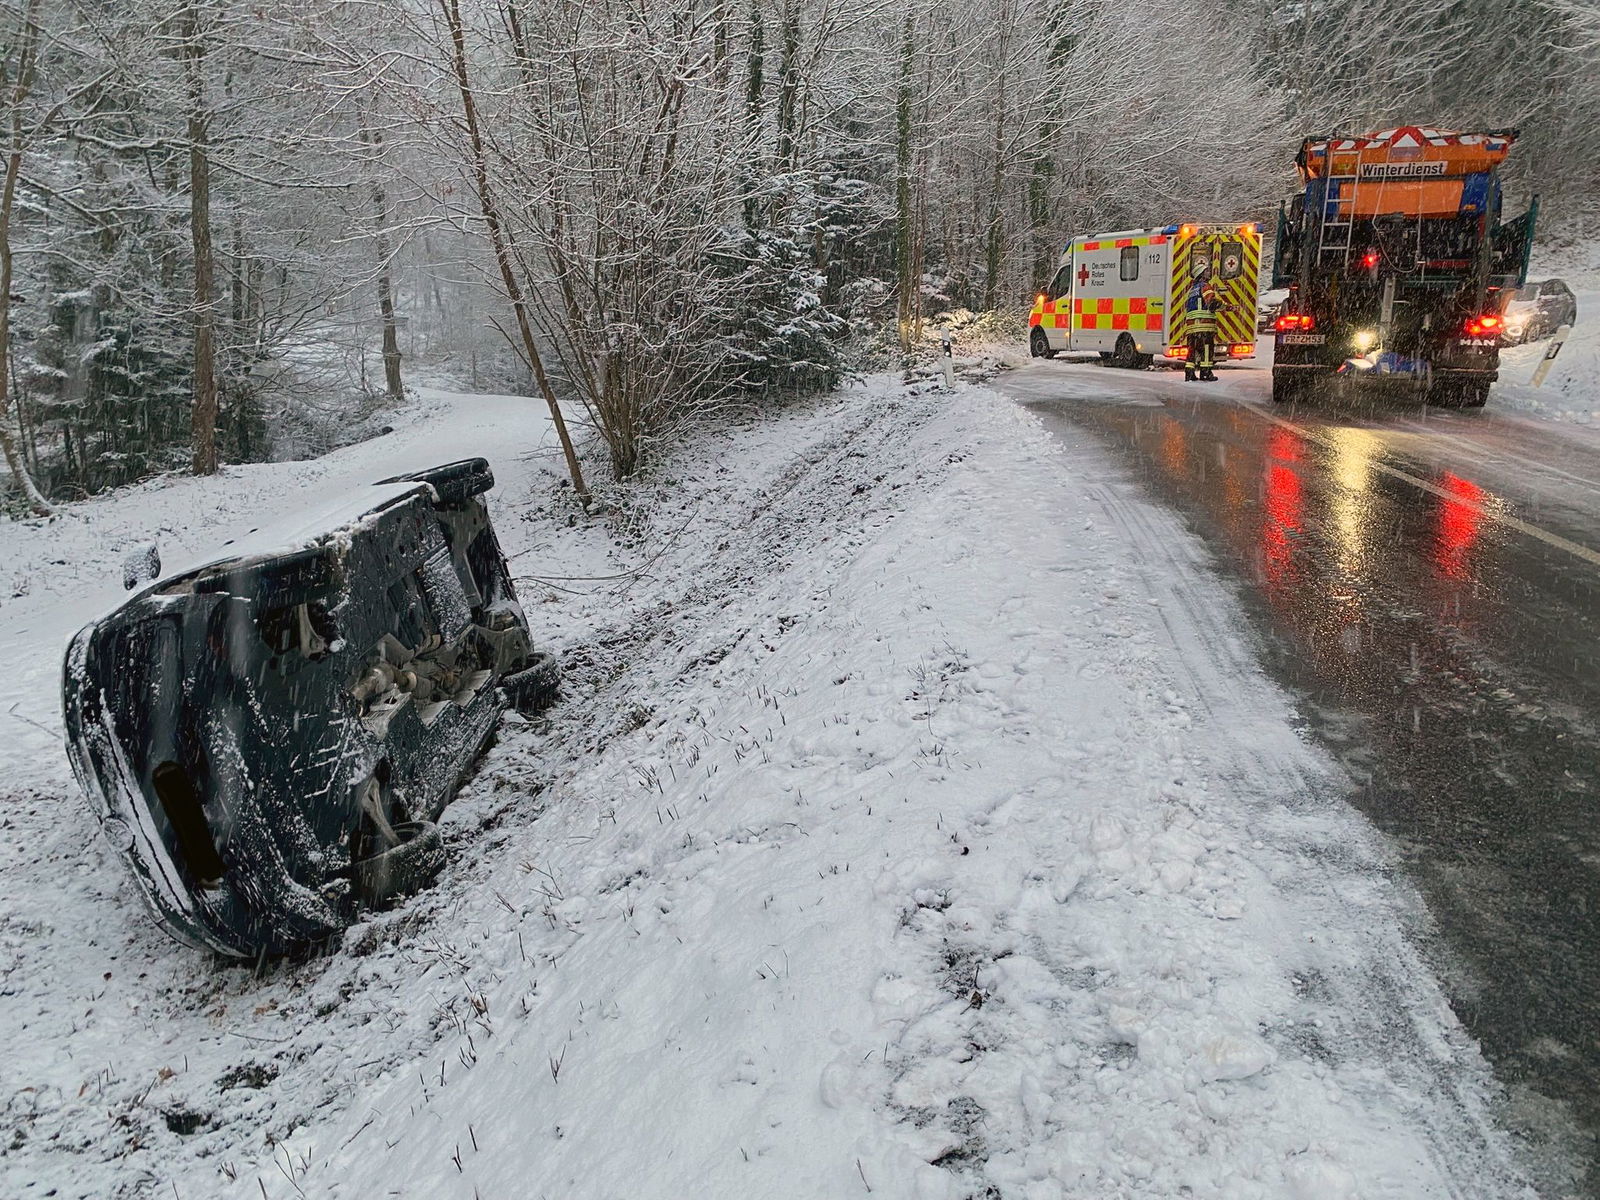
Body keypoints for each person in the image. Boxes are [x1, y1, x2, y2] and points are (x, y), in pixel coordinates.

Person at [1184, 282, 1223, 382]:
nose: (1208, 273)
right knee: (1206, 350)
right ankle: (1206, 373)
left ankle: (1189, 373)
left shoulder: (1192, 290)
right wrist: (1222, 305)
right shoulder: (1204, 286)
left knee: (1192, 349)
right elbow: (1211, 302)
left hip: (1192, 326)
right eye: (1206, 271)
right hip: (1204, 325)